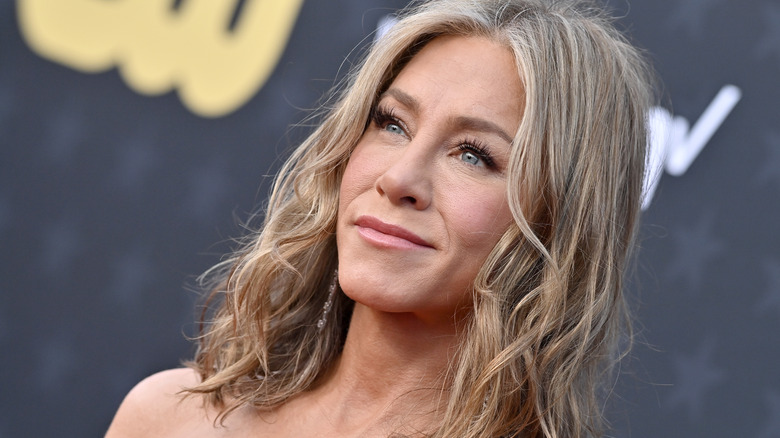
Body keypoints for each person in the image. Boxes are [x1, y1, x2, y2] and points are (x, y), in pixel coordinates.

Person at [106, 0, 655, 436]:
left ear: (557, 219)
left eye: (473, 155)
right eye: (392, 123)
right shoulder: (167, 419)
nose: (398, 179)